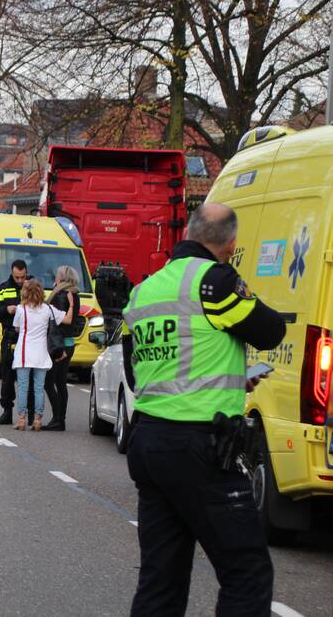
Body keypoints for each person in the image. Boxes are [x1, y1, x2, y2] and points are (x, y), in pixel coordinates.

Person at [122, 203, 286, 616]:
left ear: (188, 233)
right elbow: (270, 331)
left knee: (161, 578)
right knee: (246, 572)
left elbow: (141, 370)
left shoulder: (144, 290)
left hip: (149, 441)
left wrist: (228, 375)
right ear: (230, 245)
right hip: (200, 447)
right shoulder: (215, 283)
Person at [12, 278, 73, 430]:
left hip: (24, 353)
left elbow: (17, 328)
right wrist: (71, 304)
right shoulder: (48, 309)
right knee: (39, 388)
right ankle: (37, 420)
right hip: (41, 354)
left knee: (23, 387)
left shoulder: (21, 309)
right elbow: (67, 319)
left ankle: (21, 419)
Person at [43, 265, 82, 431]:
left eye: (57, 276)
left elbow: (57, 320)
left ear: (61, 278)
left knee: (48, 381)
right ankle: (61, 419)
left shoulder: (60, 295)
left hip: (59, 344)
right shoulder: (75, 294)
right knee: (60, 382)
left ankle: (57, 418)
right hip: (69, 343)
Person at [0, 259, 28, 425]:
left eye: (22, 277)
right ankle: (7, 411)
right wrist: (6, 309)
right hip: (10, 337)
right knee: (7, 376)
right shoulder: (3, 288)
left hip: (28, 338)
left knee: (29, 377)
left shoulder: (32, 286)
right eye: (17, 277)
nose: (20, 281)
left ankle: (31, 413)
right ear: (12, 273)